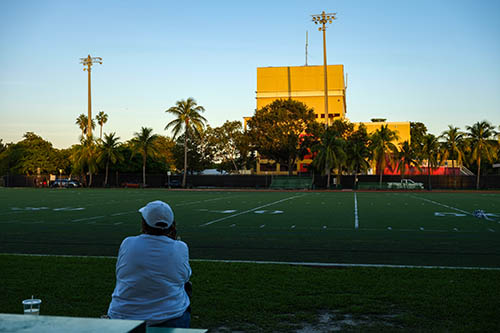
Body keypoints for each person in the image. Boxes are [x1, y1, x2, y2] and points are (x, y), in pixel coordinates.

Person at [107, 200, 192, 327]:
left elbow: (121, 273)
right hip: (169, 317)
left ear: (144, 223)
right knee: (186, 287)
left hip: (122, 315)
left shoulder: (128, 243)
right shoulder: (180, 247)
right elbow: (184, 277)